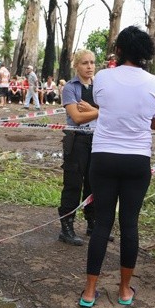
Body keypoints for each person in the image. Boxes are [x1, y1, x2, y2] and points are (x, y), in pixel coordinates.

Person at [78, 26, 155, 308]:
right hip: (137, 159)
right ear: (146, 53)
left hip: (103, 156)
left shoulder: (103, 77)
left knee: (102, 222)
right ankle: (125, 289)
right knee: (130, 223)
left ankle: (90, 291)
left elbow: (103, 106)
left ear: (118, 50)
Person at [57, 49, 103, 246]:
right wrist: (102, 112)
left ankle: (93, 224)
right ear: (76, 65)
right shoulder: (70, 88)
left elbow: (106, 111)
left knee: (95, 184)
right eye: (85, 63)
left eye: (92, 62)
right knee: (73, 185)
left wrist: (94, 111)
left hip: (99, 141)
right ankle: (66, 227)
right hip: (77, 141)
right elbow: (76, 117)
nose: (90, 66)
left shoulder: (100, 87)